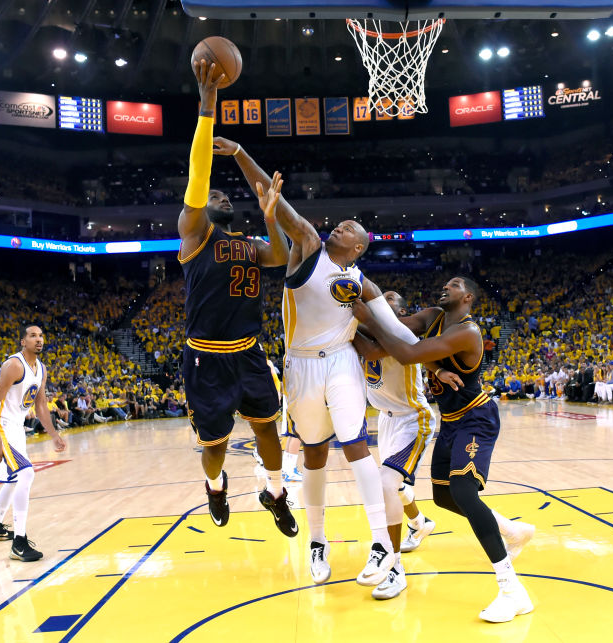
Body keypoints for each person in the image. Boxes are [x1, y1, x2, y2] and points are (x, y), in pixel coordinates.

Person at [212, 133, 398, 589]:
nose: (340, 228)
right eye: (341, 224)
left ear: (359, 247)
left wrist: (437, 356)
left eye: (349, 229)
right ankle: (317, 541)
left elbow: (398, 332)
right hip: (300, 365)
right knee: (313, 453)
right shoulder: (309, 246)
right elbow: (280, 206)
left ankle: (381, 543)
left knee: (356, 443)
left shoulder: (363, 282)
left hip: (341, 362)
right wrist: (241, 154)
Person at [353, 277, 536, 623]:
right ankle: (512, 531)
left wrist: (361, 314)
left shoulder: (468, 332)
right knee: (444, 498)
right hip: (450, 420)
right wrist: (436, 367)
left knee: (464, 492)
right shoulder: (433, 316)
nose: (445, 287)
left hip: (476, 416)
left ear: (467, 297)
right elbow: (398, 332)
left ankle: (513, 591)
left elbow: (407, 353)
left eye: (453, 285)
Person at [178, 59, 298, 539]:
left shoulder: (249, 243)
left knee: (268, 429)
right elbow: (197, 177)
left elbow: (281, 256)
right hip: (206, 358)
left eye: (228, 196)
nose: (223, 198)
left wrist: (270, 217)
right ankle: (215, 485)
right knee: (216, 447)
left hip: (248, 353)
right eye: (216, 196)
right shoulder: (195, 234)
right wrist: (207, 108)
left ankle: (276, 493)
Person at [352, 290, 439, 600]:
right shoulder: (369, 329)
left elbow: (371, 351)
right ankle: (419, 522)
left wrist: (348, 321)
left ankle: (395, 568)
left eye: (388, 300)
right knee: (395, 486)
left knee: (385, 484)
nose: (379, 303)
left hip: (412, 419)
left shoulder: (401, 336)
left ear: (401, 314)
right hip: (387, 420)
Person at [0, 325, 67, 560]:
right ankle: (19, 543)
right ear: (23, 341)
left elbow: (40, 405)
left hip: (15, 427)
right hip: (0, 424)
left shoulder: (41, 368)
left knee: (13, 481)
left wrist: (54, 434)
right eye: (32, 336)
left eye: (41, 336)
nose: (38, 340)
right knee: (26, 474)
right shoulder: (14, 365)